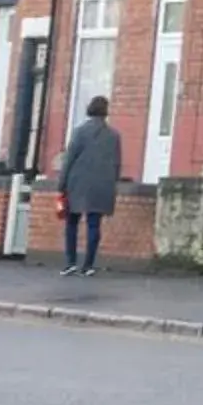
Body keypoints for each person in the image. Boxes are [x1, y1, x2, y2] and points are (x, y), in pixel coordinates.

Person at [56, 94, 123, 276]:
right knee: (94, 225)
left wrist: (61, 184)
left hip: (77, 183)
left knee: (72, 223)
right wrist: (113, 184)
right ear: (106, 112)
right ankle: (89, 265)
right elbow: (117, 164)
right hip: (101, 186)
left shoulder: (79, 132)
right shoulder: (114, 136)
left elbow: (69, 159)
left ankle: (71, 262)